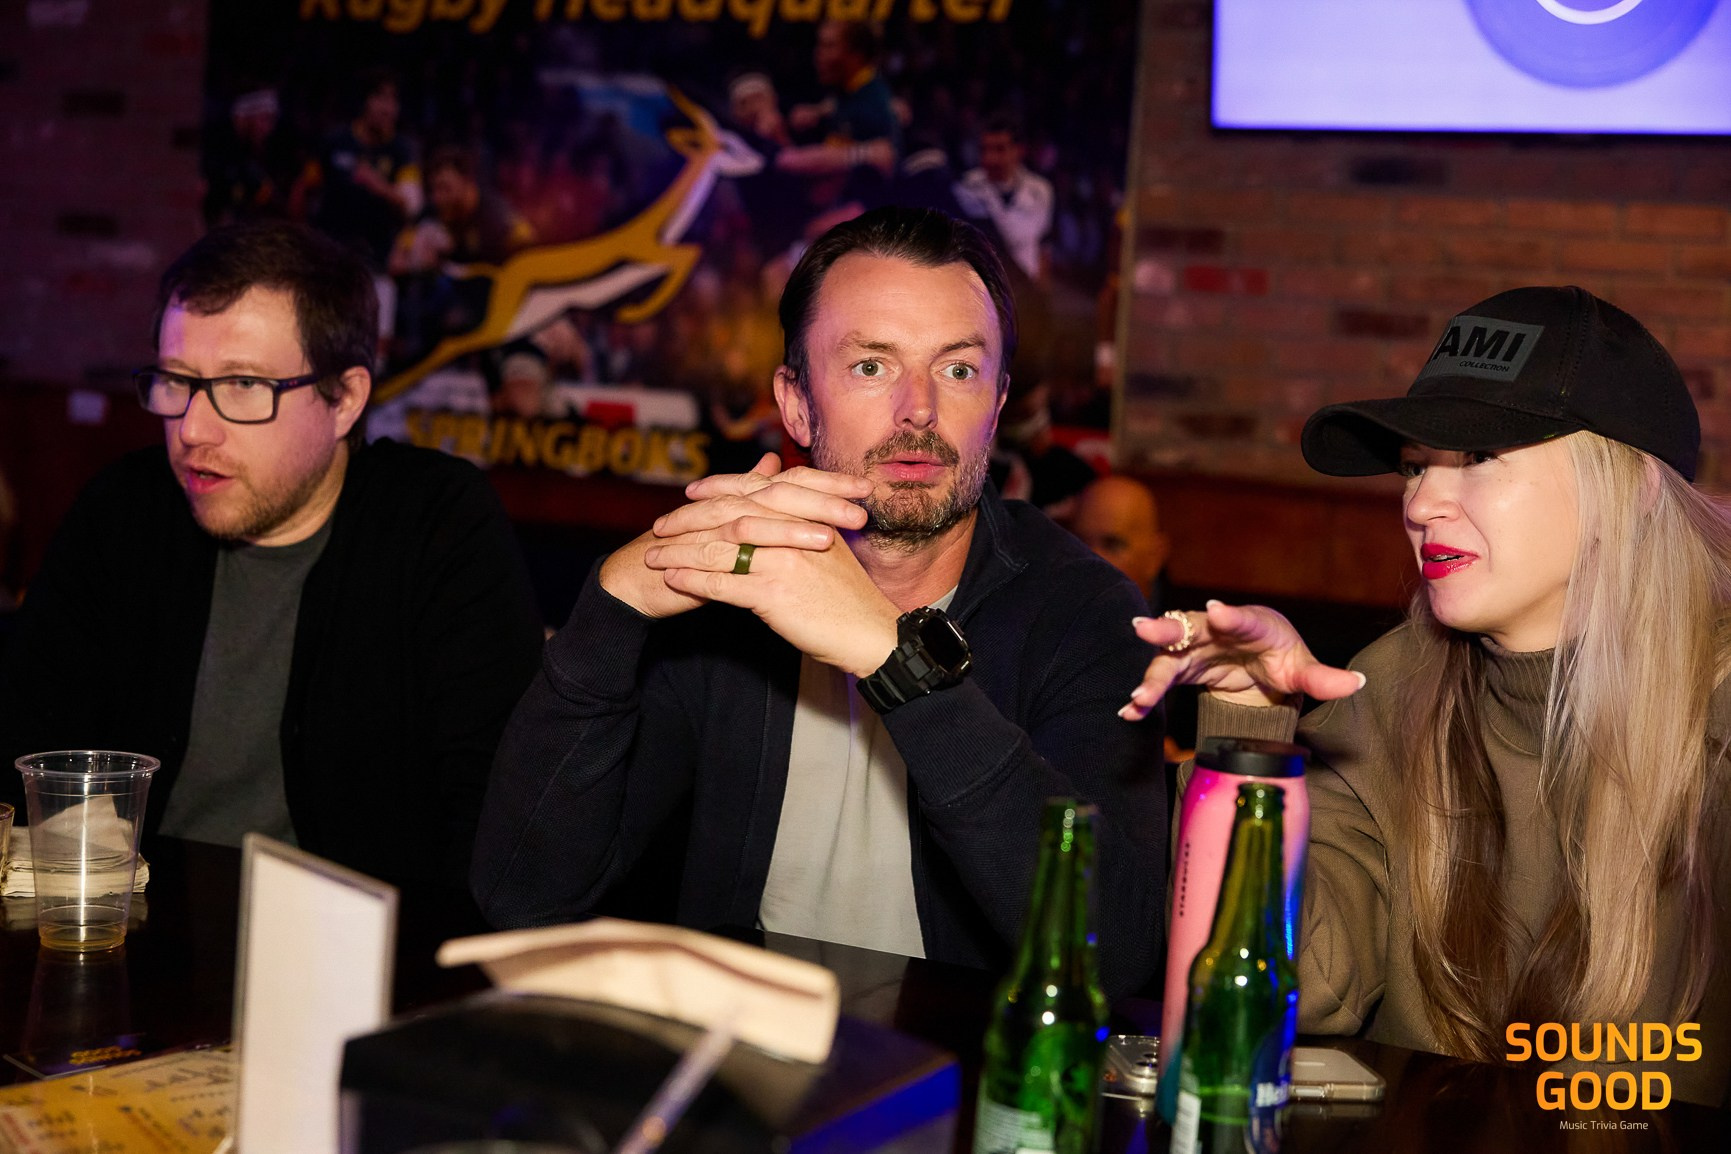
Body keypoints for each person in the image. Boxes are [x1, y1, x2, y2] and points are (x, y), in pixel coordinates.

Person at [473, 206, 1167, 994]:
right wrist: (613, 603)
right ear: (796, 404)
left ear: (998, 404)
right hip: (737, 1052)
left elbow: (1115, 959)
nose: (918, 408)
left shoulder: (1083, 613)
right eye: (870, 366)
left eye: (957, 370)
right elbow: (523, 900)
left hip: (964, 1063)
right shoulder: (723, 603)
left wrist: (894, 660)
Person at [1128, 286, 1731, 1106]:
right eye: (1415, 467)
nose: (1419, 504)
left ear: (1630, 489)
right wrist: (1250, 727)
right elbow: (1305, 982)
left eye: (1478, 457)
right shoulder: (1387, 689)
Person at [0, 220, 544, 892]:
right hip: (134, 931)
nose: (192, 429)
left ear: (344, 399)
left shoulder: (436, 526)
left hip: (357, 946)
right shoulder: (124, 513)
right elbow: (26, 757)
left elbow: (498, 819)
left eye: (243, 385)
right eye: (176, 381)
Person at [953, 114, 1053, 283]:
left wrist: (1042, 290)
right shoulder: (966, 189)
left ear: (1019, 150)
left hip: (1027, 287)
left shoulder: (1041, 191)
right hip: (984, 287)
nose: (990, 158)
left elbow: (1044, 245)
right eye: (985, 149)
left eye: (999, 149)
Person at [1070, 475, 1170, 610]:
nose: (1091, 559)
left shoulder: (1189, 620)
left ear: (1154, 556)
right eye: (1080, 543)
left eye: (1112, 545)